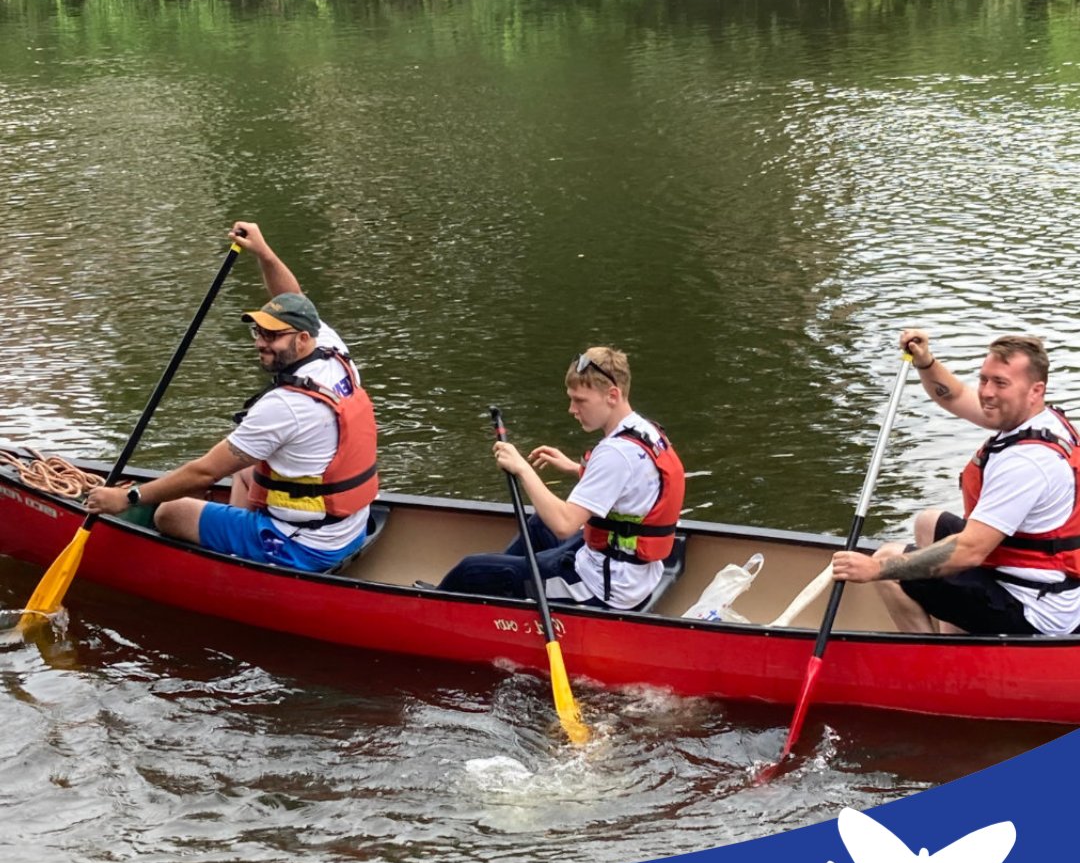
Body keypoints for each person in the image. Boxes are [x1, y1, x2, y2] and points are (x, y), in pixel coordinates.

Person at [86, 222, 379, 573]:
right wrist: (264, 252)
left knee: (170, 512)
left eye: (273, 336)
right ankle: (241, 548)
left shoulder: (286, 405)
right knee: (243, 475)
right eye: (259, 331)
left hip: (304, 547)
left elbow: (204, 473)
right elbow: (294, 299)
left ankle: (244, 563)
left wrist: (126, 497)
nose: (261, 342)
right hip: (347, 528)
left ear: (301, 339)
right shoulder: (332, 352)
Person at [832, 331, 1080, 636]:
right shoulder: (1037, 418)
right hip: (1029, 578)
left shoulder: (1027, 462)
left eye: (1000, 383)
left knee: (887, 562)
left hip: (1034, 611)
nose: (987, 392)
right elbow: (957, 395)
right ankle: (958, 633)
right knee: (928, 522)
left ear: (1035, 390)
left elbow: (969, 552)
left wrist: (877, 569)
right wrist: (926, 363)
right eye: (984, 379)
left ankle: (937, 668)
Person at [438, 347, 685, 611]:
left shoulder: (614, 453)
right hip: (634, 575)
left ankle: (440, 609)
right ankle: (500, 593)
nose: (572, 409)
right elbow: (632, 485)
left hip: (601, 587)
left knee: (471, 570)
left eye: (580, 400)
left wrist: (523, 468)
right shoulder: (646, 431)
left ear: (612, 395)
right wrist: (573, 468)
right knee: (537, 526)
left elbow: (564, 524)